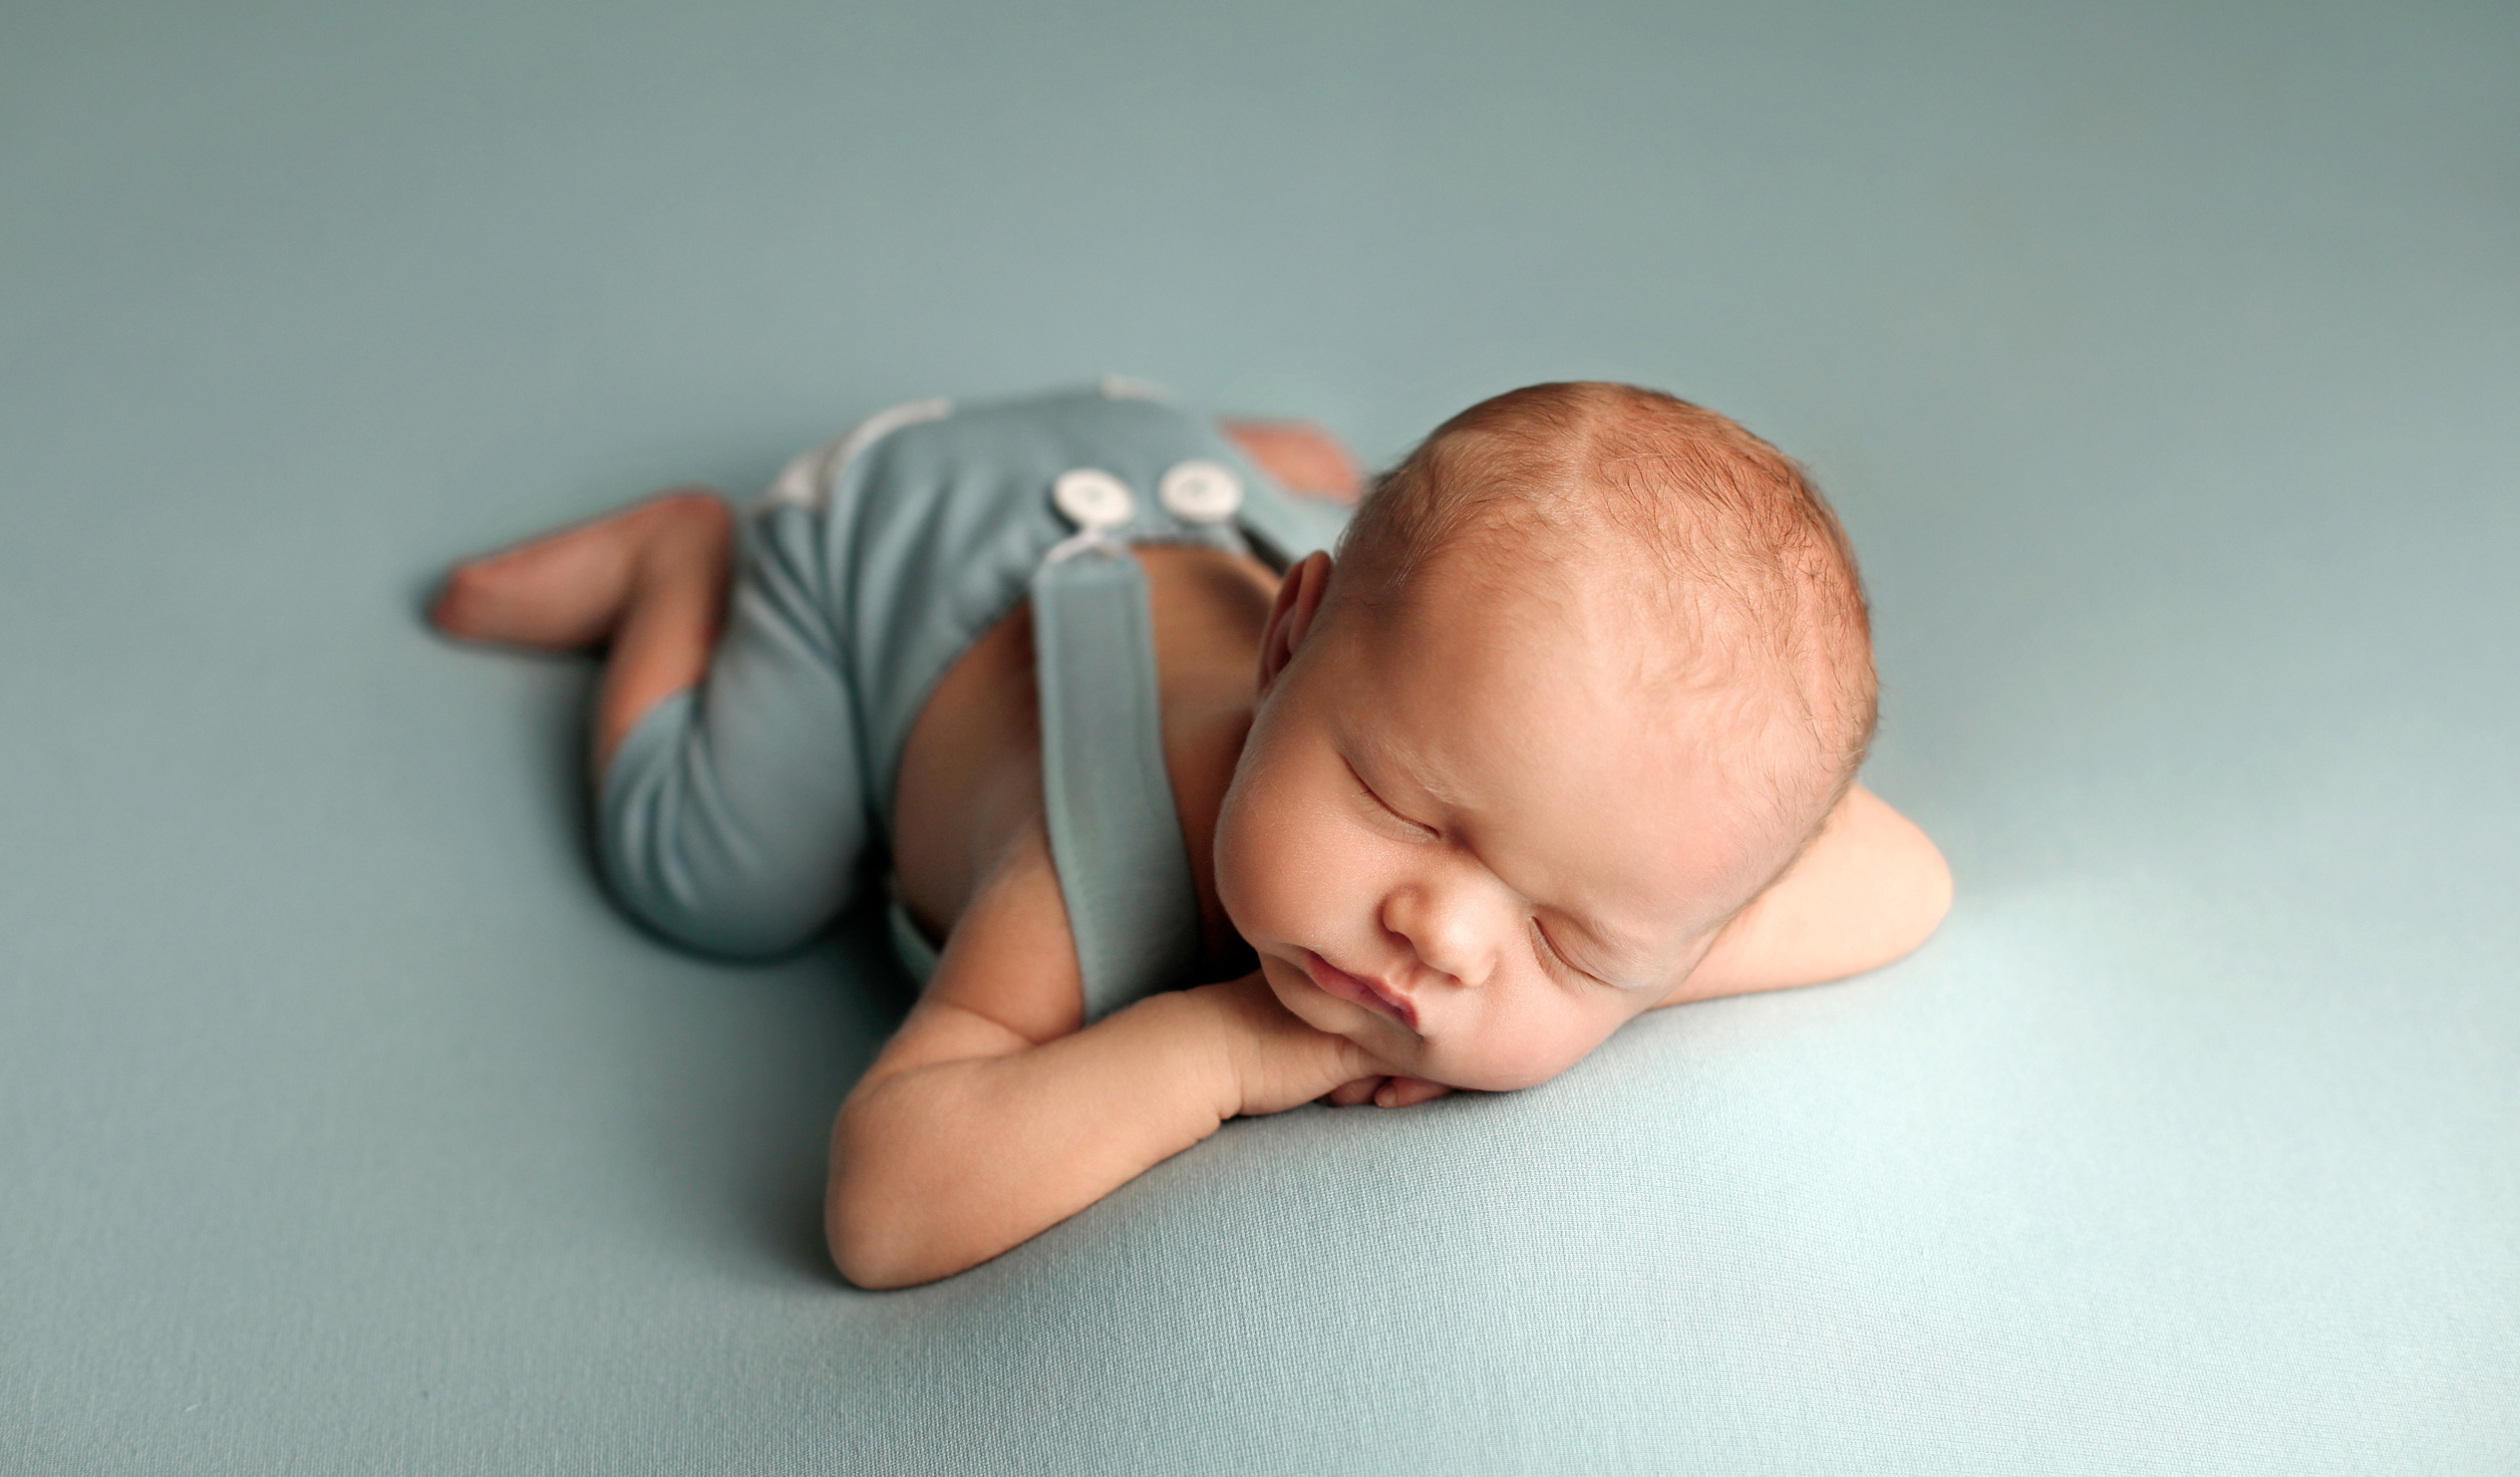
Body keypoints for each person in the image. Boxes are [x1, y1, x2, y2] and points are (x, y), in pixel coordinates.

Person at [432, 379, 1951, 1290]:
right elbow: (883, 1209)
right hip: (900, 553)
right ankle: (687, 561)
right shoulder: (1098, 861)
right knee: (712, 880)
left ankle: (1257, 450)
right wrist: (1229, 1051)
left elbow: (1907, 878)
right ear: (1287, 648)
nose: (1448, 936)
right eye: (1407, 811)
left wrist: (1608, 980)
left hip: (1184, 478)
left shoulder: (1427, 706)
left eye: (1569, 932)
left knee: (1434, 600)